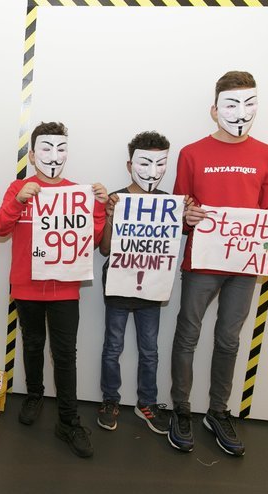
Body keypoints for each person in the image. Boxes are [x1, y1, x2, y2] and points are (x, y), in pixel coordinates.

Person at [168, 71, 268, 456]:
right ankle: (181, 408)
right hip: (202, 262)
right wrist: (187, 216)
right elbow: (179, 207)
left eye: (249, 104)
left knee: (229, 339)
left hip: (243, 265)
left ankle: (218, 411)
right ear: (214, 109)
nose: (240, 112)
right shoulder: (191, 153)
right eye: (232, 104)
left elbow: (265, 216)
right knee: (187, 334)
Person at [0, 121, 108, 458]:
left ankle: (68, 421)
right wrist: (18, 201)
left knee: (65, 354)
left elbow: (91, 240)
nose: (53, 156)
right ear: (31, 155)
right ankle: (34, 395)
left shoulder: (76, 192)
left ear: (67, 153)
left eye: (60, 149)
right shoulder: (19, 188)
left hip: (64, 288)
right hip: (26, 286)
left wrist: (99, 207)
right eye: (46, 148)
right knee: (32, 344)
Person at [96, 131, 180, 435]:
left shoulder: (168, 202)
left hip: (151, 287)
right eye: (145, 163)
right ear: (130, 165)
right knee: (112, 347)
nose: (152, 171)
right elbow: (105, 249)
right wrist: (109, 217)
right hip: (119, 285)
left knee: (150, 350)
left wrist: (185, 211)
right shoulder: (117, 199)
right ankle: (110, 400)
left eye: (160, 164)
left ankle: (147, 403)